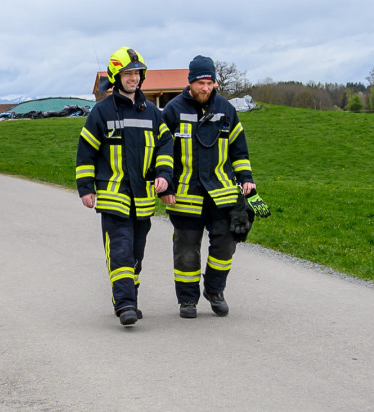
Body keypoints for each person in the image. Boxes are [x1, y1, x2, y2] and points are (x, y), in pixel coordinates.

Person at [76, 47, 174, 326]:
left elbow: (166, 145)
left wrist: (164, 175)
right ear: (116, 77)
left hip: (143, 198)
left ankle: (129, 296)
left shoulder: (152, 113)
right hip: (113, 195)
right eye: (127, 73)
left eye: (136, 73)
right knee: (119, 249)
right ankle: (125, 304)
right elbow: (86, 152)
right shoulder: (101, 111)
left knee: (136, 254)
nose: (133, 78)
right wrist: (86, 188)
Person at [160, 55, 255, 318]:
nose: (205, 87)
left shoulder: (226, 109)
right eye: (200, 82)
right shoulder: (173, 110)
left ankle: (214, 291)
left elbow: (239, 150)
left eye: (209, 82)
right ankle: (187, 301)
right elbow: (162, 152)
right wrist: (166, 185)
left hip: (221, 193)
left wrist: (246, 179)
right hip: (186, 193)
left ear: (215, 82)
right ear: (190, 82)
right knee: (186, 249)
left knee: (226, 244)